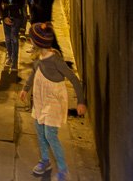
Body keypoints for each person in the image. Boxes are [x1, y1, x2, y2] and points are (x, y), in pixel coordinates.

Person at [19, 23, 87, 181]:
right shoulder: (38, 57)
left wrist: (81, 101)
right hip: (40, 99)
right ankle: (45, 161)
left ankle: (63, 170)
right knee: (39, 131)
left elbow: (73, 79)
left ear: (38, 42)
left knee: (50, 135)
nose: (30, 40)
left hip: (54, 100)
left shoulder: (55, 60)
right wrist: (25, 88)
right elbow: (34, 72)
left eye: (32, 38)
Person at [0, 0, 28, 73]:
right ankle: (9, 56)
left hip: (16, 16)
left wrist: (8, 6)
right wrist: (3, 17)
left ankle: (15, 61)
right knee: (7, 38)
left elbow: (22, 4)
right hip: (6, 16)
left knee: (14, 38)